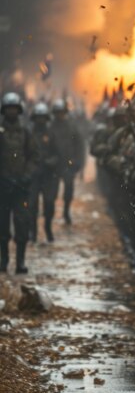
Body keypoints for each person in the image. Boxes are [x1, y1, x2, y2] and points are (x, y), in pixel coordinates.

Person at [0, 92, 38, 273]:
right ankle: (3, 261)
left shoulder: (25, 131)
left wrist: (26, 176)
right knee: (2, 227)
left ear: (19, 110)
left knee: (22, 225)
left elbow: (33, 156)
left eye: (14, 108)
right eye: (8, 108)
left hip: (21, 188)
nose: (12, 112)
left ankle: (20, 262)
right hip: (2, 187)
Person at [29, 102, 59, 243]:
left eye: (42, 117)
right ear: (34, 118)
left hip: (48, 176)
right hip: (33, 176)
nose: (40, 120)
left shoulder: (52, 134)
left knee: (49, 203)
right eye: (38, 117)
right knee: (32, 205)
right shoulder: (28, 133)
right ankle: (33, 232)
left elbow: (58, 154)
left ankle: (47, 227)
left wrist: (50, 161)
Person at [50, 99, 84, 225]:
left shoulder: (72, 127)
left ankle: (66, 211)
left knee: (68, 191)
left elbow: (79, 145)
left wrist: (78, 161)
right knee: (51, 192)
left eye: (62, 112)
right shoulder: (50, 127)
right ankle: (50, 212)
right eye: (57, 112)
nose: (60, 115)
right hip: (54, 165)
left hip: (68, 164)